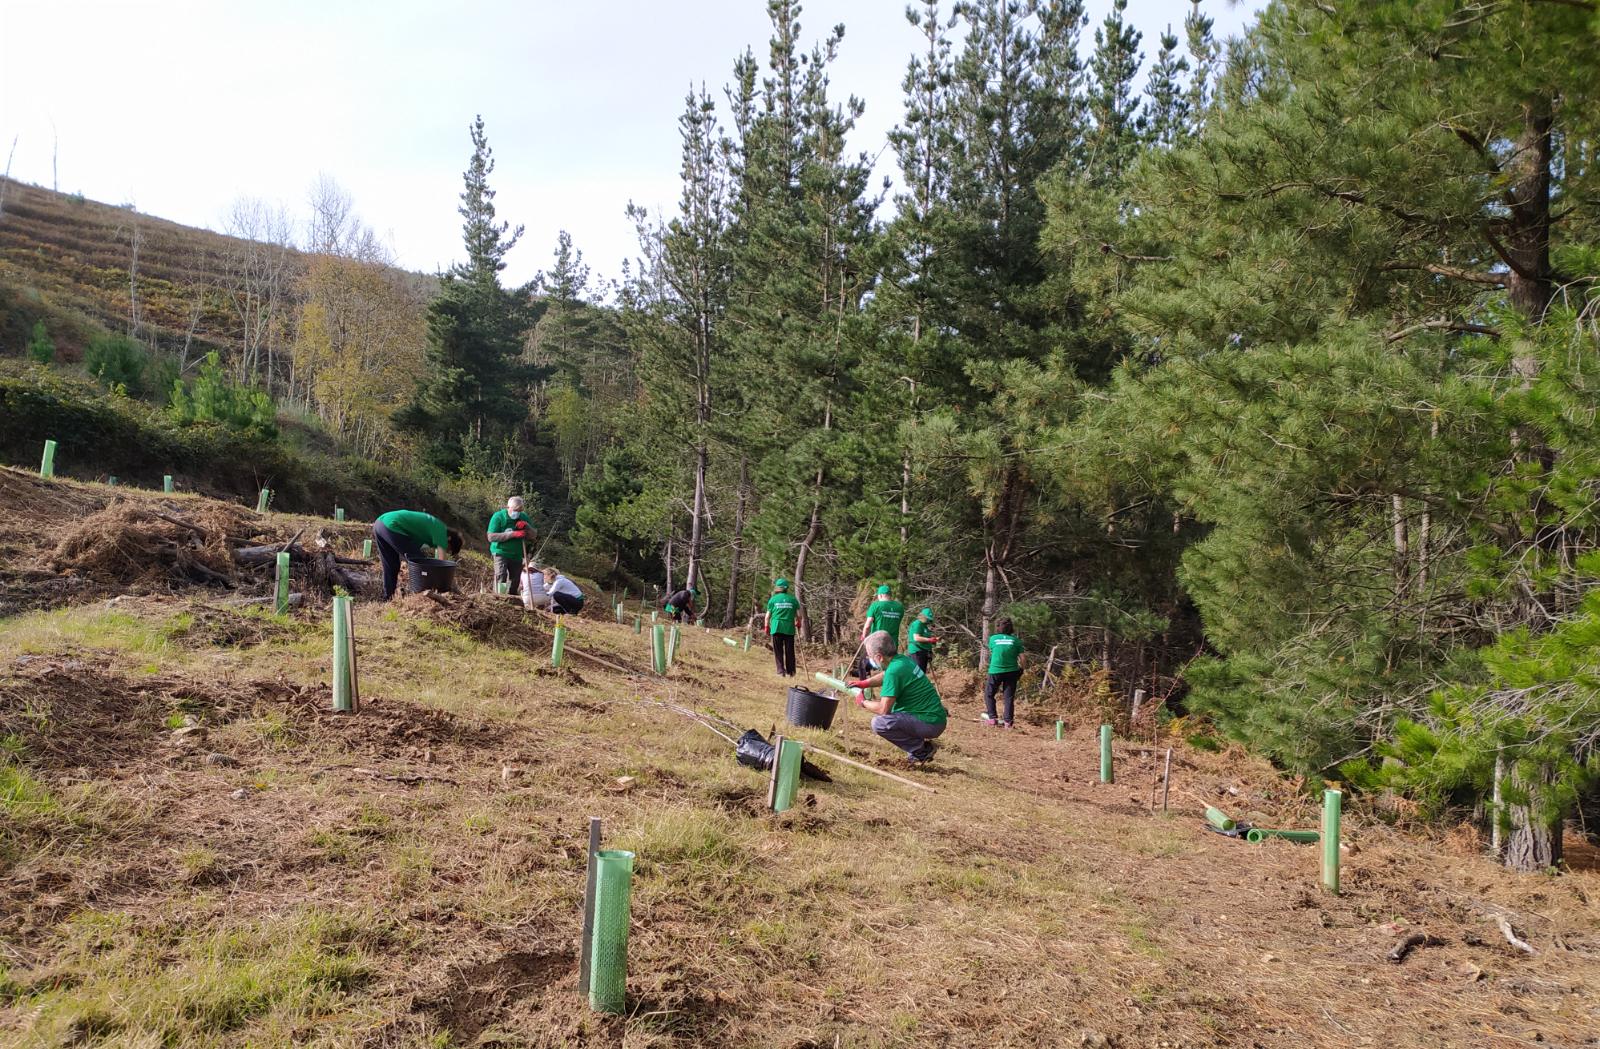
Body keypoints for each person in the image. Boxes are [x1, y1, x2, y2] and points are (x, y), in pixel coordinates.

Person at [847, 630, 947, 765]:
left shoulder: (895, 671)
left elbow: (883, 709)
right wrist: (864, 683)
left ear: (879, 657)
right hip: (934, 718)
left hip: (930, 722)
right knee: (893, 712)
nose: (869, 659)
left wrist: (863, 702)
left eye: (870, 656)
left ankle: (921, 750)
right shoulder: (901, 660)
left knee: (880, 723)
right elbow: (884, 675)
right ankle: (917, 750)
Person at [372, 510, 462, 600]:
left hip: (380, 524)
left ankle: (387, 598)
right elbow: (442, 563)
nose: (445, 549)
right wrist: (448, 583)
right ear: (449, 539)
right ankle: (423, 598)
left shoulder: (430, 531)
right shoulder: (441, 530)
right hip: (392, 525)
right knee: (421, 564)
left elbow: (413, 546)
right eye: (448, 548)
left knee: (391, 565)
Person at [485, 496, 533, 596]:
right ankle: (500, 596)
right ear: (508, 507)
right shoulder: (498, 516)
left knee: (515, 579)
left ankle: (512, 598)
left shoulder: (523, 517)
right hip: (500, 551)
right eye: (516, 510)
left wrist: (527, 526)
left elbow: (534, 535)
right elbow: (491, 537)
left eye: (520, 510)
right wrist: (512, 534)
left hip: (517, 553)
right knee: (501, 575)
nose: (518, 512)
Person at [983, 617, 1025, 728]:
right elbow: (1023, 657)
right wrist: (1022, 669)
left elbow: (993, 652)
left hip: (995, 670)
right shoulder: (1016, 641)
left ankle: (992, 718)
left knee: (989, 694)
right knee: (1008, 697)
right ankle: (1008, 723)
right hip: (1012, 671)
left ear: (998, 627)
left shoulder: (993, 639)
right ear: (1011, 628)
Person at [763, 578, 802, 677]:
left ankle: (781, 671)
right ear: (786, 588)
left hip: (776, 627)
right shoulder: (793, 599)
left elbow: (767, 616)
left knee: (778, 651)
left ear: (777, 588)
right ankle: (791, 672)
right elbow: (799, 614)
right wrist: (798, 623)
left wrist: (766, 627)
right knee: (790, 651)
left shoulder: (773, 599)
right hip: (789, 628)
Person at [907, 607, 940, 672]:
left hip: (923, 651)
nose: (928, 620)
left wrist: (933, 640)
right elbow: (916, 638)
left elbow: (925, 637)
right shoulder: (917, 624)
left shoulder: (924, 625)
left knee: (922, 673)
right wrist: (929, 640)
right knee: (918, 673)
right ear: (923, 616)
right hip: (917, 652)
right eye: (927, 618)